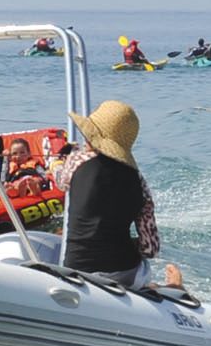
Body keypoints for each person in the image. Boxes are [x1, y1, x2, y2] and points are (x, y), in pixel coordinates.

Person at [55, 100, 181, 289]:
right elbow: (150, 248)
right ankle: (165, 289)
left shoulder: (76, 161)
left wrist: (57, 164)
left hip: (77, 267)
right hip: (121, 271)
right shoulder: (139, 182)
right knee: (142, 270)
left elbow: (61, 181)